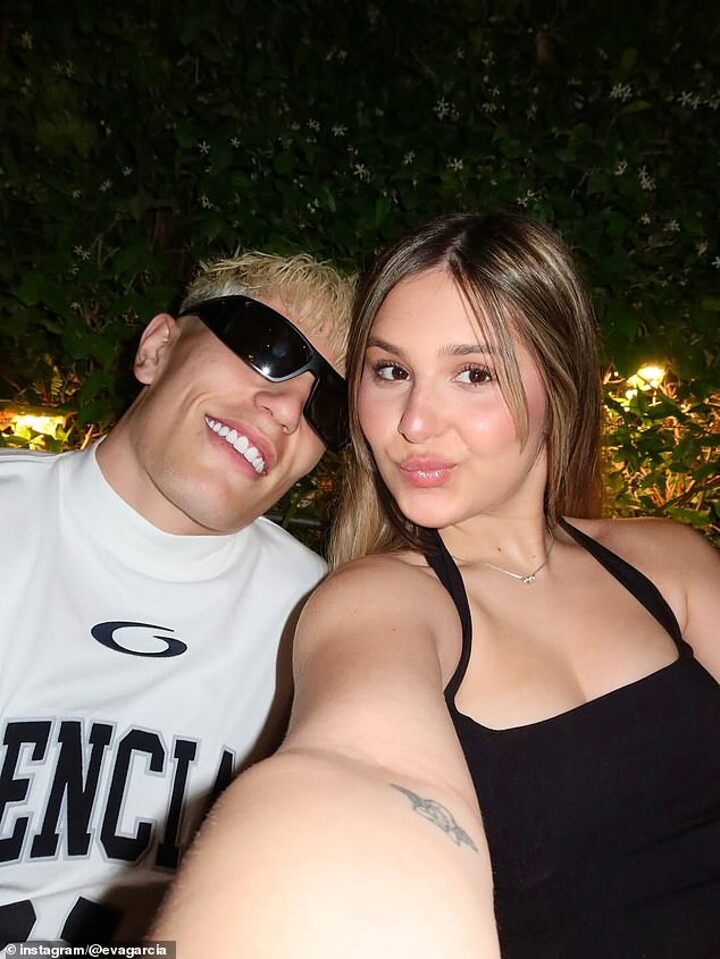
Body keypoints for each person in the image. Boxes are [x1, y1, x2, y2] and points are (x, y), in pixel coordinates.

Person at [154, 212, 720, 957]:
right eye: (391, 372)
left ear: (559, 383)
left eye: (473, 374)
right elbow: (353, 774)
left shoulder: (669, 565)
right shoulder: (384, 602)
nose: (415, 423)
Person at [0, 251, 353, 948]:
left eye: (327, 405)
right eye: (267, 346)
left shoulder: (320, 619)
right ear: (157, 349)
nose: (286, 409)